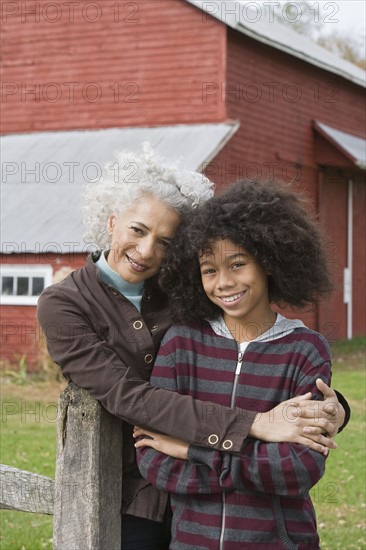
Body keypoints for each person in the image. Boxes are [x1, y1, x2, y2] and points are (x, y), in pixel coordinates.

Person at [37, 149, 347, 550]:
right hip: (135, 490)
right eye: (137, 229)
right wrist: (254, 424)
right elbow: (129, 397)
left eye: (165, 241)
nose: (147, 250)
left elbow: (267, 378)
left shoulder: (182, 292)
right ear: (112, 221)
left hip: (212, 497)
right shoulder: (66, 305)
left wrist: (332, 408)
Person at [134, 178, 343, 549]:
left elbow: (297, 469)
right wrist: (253, 458)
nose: (224, 283)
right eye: (209, 269)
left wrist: (190, 450)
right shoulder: (181, 343)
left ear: (269, 260)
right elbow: (154, 459)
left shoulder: (306, 349)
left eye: (238, 264)